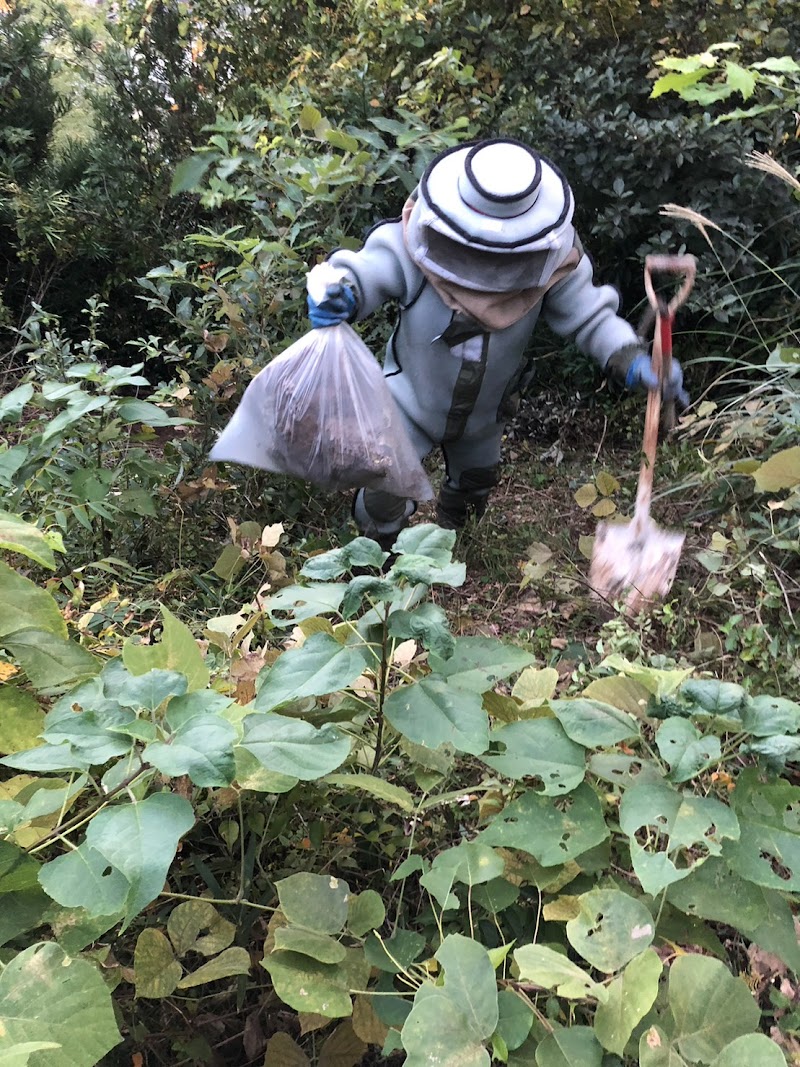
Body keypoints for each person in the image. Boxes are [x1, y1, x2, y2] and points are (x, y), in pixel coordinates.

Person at [306, 137, 688, 548]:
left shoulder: (554, 263)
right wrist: (340, 289)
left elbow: (590, 316)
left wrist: (628, 356)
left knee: (474, 486)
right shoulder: (410, 243)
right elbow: (369, 268)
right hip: (407, 402)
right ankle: (378, 550)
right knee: (385, 484)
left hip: (484, 417)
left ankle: (453, 547)